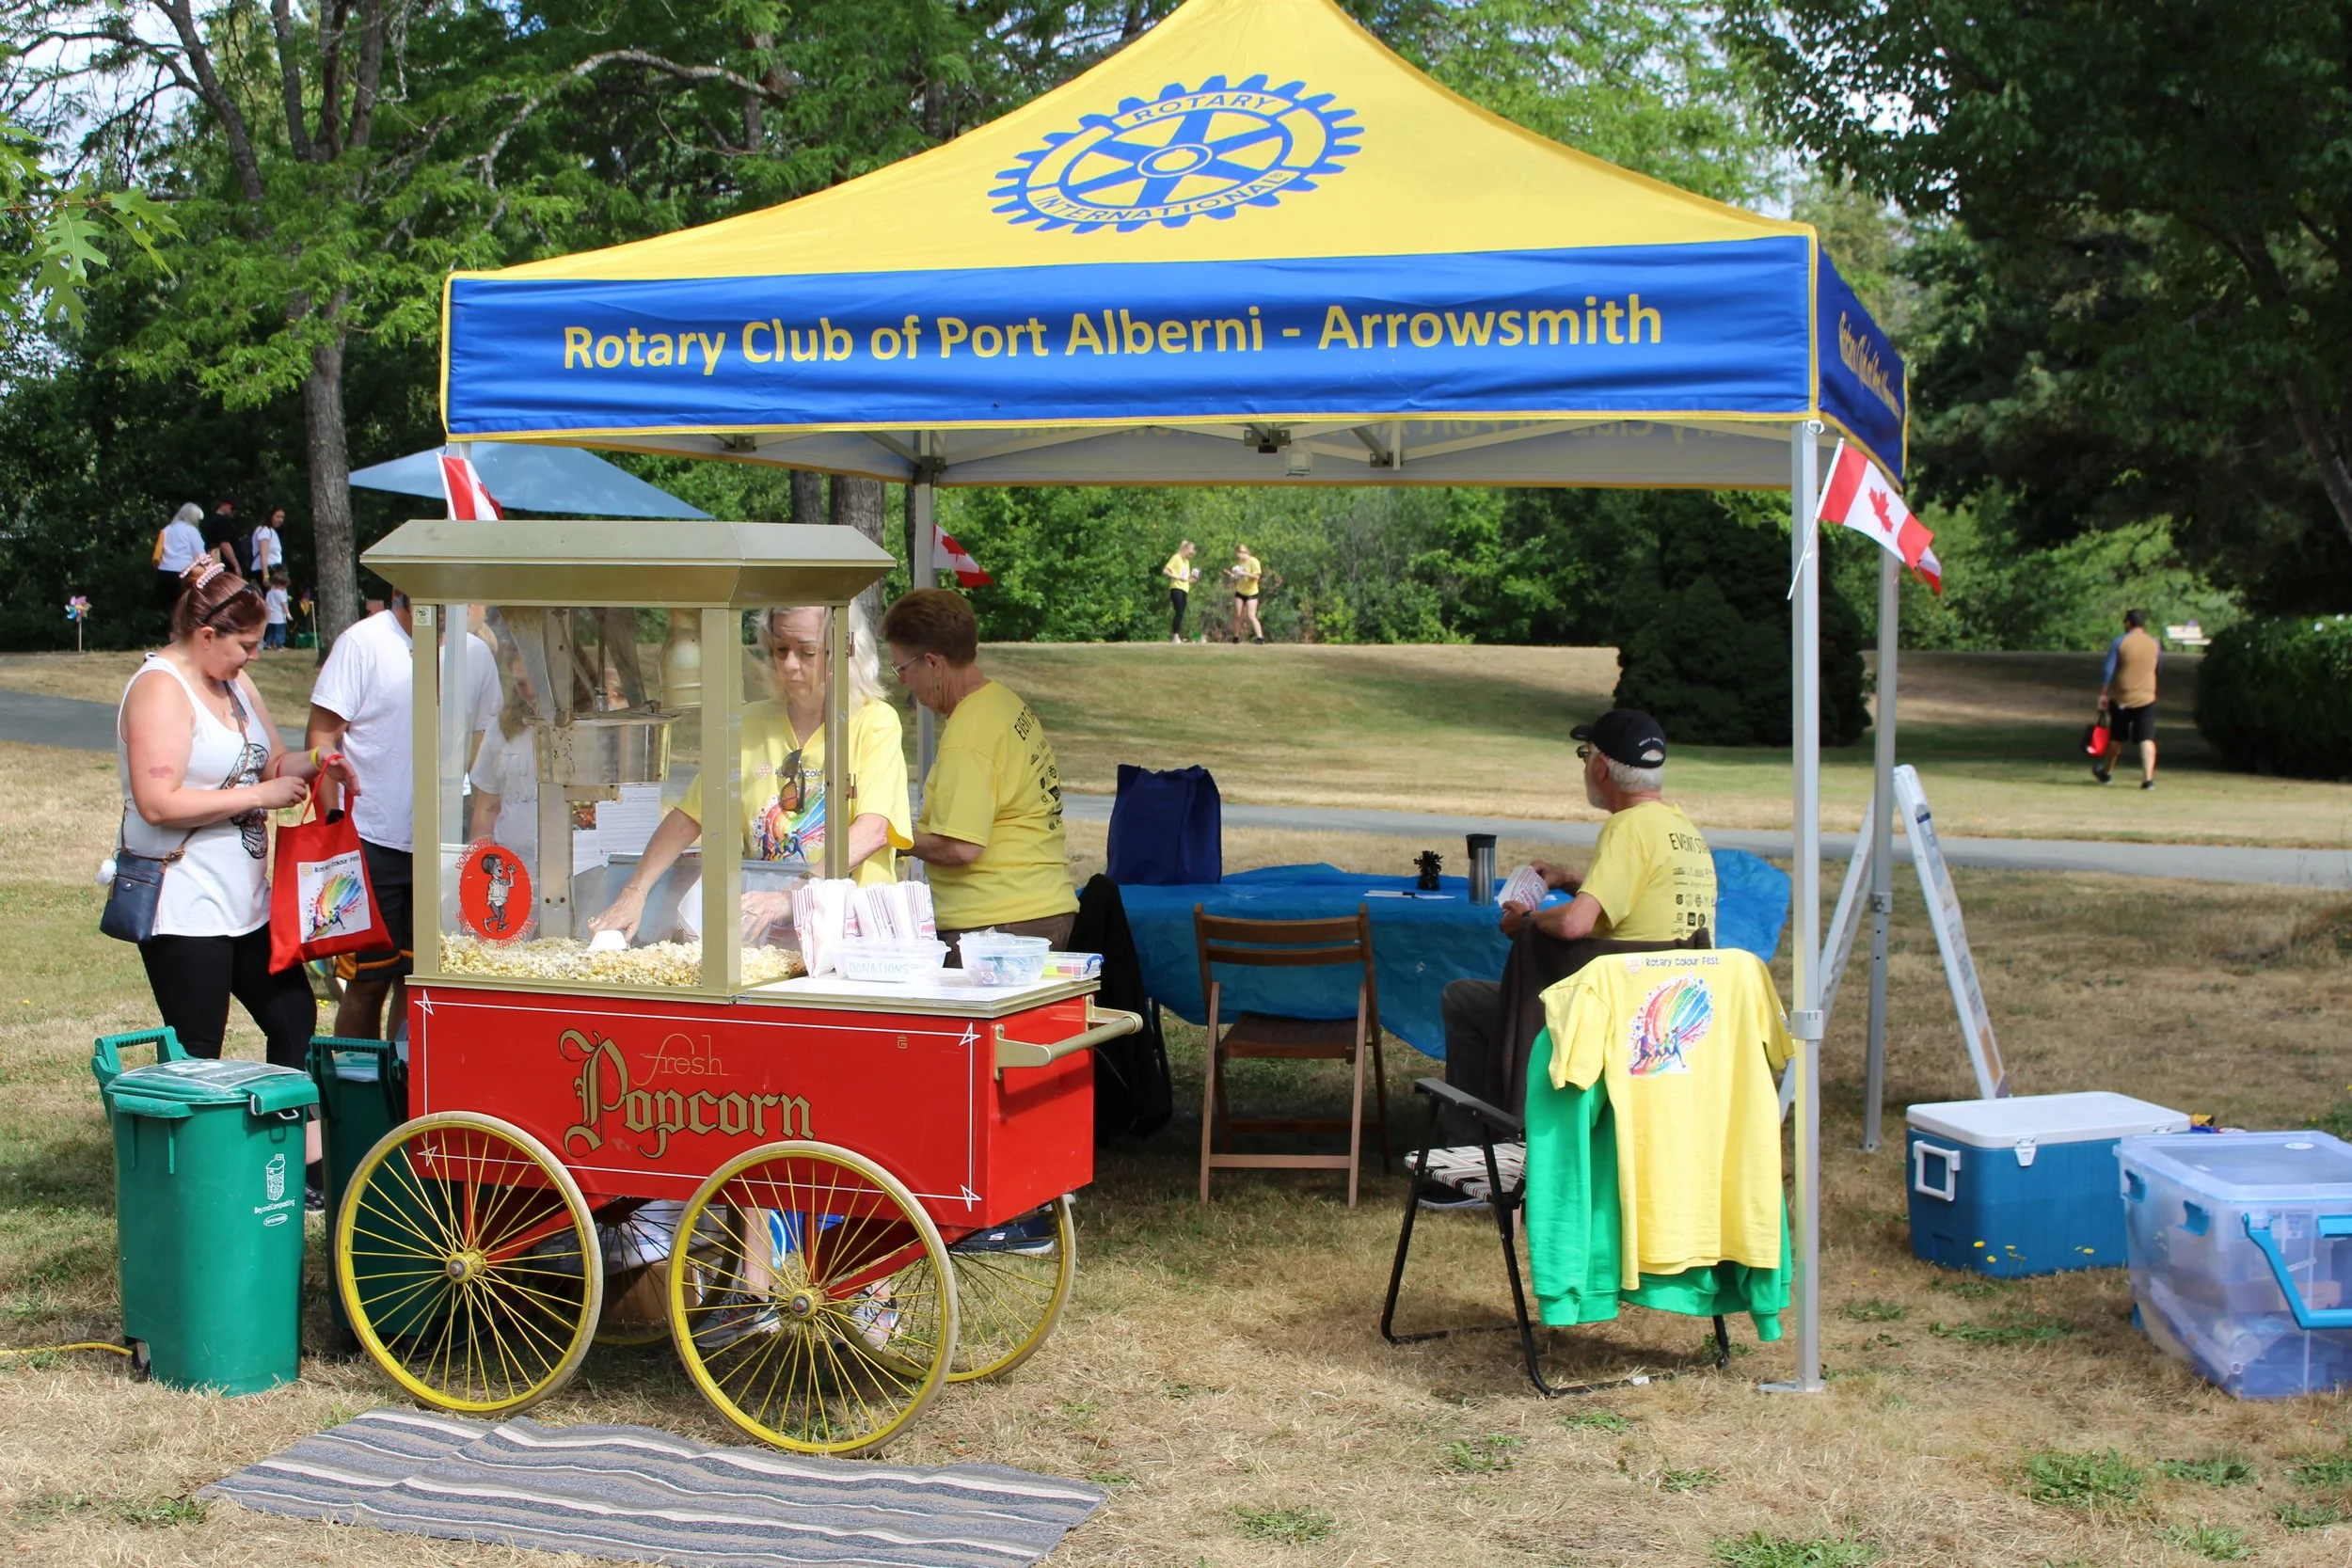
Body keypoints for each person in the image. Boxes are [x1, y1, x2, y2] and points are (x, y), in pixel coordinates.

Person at [117, 562, 356, 1202]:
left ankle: (297, 1161)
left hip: (245, 904)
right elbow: (157, 802)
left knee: (294, 1012)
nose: (253, 656)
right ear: (204, 632)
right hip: (184, 903)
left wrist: (319, 761)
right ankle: (195, 1179)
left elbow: (274, 760)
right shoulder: (160, 688)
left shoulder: (235, 684)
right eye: (244, 645)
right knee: (199, 1044)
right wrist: (263, 793)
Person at [1433, 709, 1717, 1174]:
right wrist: (1568, 879)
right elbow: (1629, 897)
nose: (1585, 766)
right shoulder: (1681, 830)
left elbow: (1575, 927)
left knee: (1464, 999)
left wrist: (1528, 921)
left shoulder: (1627, 829)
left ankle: (1476, 1153)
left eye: (1586, 756)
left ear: (1601, 767)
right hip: (1668, 1013)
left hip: (1616, 1016)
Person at [590, 604, 912, 945]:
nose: (789, 664)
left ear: (844, 651)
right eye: (780, 649)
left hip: (851, 935)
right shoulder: (748, 724)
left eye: (807, 652)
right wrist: (635, 891)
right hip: (766, 929)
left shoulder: (875, 722)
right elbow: (691, 816)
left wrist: (794, 896)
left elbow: (874, 829)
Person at [309, 592, 499, 1039]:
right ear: (409, 591)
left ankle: (403, 1091)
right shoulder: (363, 643)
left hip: (440, 844)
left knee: (419, 985)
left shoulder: (475, 654)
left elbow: (484, 747)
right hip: (369, 838)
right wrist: (333, 834)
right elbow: (322, 736)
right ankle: (356, 1097)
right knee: (367, 982)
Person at [883, 588, 1077, 954]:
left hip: (998, 926)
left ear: (933, 663)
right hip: (1036, 911)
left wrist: (892, 838)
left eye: (903, 668)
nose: (902, 681)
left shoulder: (970, 733)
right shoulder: (1002, 702)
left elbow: (961, 846)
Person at [2096, 608, 2162, 790]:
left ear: (2128, 623)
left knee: (2117, 737)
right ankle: (2148, 779)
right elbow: (2158, 668)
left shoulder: (2120, 642)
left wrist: (2103, 693)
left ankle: (2107, 772)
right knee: (2147, 738)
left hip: (2123, 698)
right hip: (2148, 696)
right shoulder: (2154, 643)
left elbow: (2108, 670)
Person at [153, 503, 207, 613]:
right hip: (185, 573)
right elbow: (200, 555)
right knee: (183, 608)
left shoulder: (167, 529)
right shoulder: (191, 531)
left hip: (164, 571)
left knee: (167, 607)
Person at [1162, 540, 1200, 643]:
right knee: (1178, 611)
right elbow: (1165, 570)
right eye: (1190, 553)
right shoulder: (1176, 557)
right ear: (1185, 549)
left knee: (1181, 612)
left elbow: (1186, 577)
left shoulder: (1187, 561)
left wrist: (1192, 579)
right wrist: (1176, 577)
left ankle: (1177, 634)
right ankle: (1175, 635)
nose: (1190, 556)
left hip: (1185, 588)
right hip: (1176, 587)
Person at [1227, 544, 1265, 643]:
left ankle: (1260, 638)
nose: (1238, 557)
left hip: (1251, 592)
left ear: (1243, 552)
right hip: (1240, 590)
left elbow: (1257, 577)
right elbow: (1240, 577)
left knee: (1251, 615)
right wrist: (1233, 575)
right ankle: (1236, 637)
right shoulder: (1240, 562)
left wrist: (1244, 573)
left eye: (1238, 554)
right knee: (1238, 615)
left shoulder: (1253, 561)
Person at [201, 498, 243, 578]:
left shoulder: (210, 520)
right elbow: (224, 544)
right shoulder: (222, 521)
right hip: (226, 565)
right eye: (233, 508)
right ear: (224, 505)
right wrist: (236, 566)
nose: (235, 512)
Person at [247, 505, 286, 579]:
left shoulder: (273, 532)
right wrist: (266, 576)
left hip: (274, 570)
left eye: (282, 517)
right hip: (264, 571)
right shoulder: (265, 530)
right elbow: (263, 554)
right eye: (277, 517)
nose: (280, 520)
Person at [262, 575, 292, 651]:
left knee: (271, 632)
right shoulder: (280, 593)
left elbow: (266, 603)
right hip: (279, 617)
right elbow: (284, 604)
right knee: (280, 632)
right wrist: (288, 614)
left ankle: (268, 644)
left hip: (270, 616)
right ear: (279, 584)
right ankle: (280, 646)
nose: (285, 588)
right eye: (284, 586)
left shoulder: (269, 592)